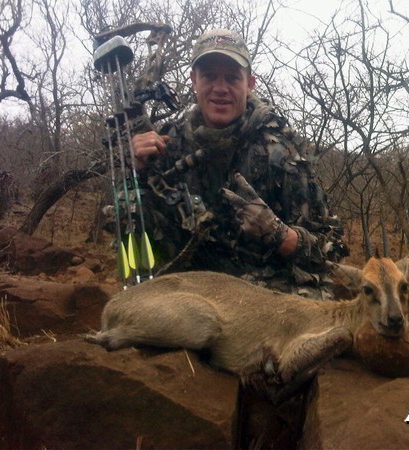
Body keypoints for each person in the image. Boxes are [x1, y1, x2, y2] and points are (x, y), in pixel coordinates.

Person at [127, 28, 348, 298]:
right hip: (191, 293)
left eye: (232, 78)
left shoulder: (280, 151)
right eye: (209, 76)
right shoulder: (168, 142)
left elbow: (332, 251)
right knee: (127, 207)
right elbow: (141, 228)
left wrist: (281, 235)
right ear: (194, 80)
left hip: (262, 297)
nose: (220, 89)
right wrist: (137, 170)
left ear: (249, 84)